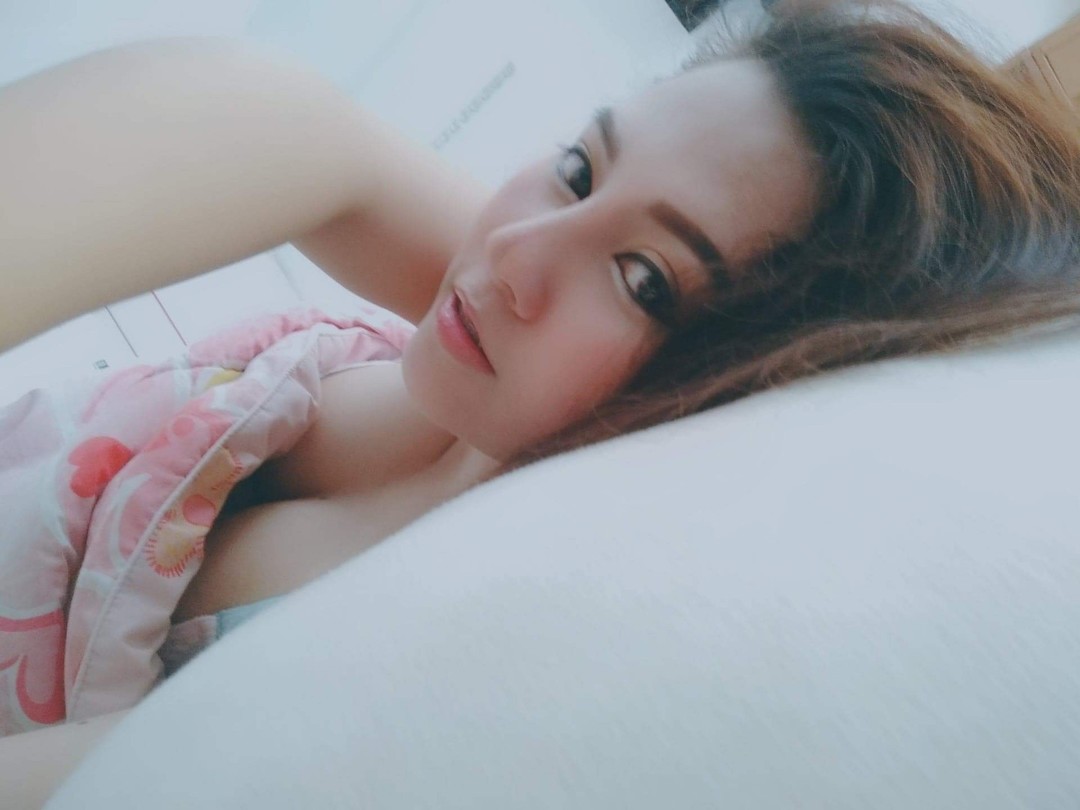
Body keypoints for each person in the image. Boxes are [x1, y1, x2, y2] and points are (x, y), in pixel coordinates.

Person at [2, 0, 1079, 802]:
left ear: (749, 396)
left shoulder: (408, 671)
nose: (516, 250)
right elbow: (280, 127)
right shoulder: (487, 344)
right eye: (579, 167)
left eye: (646, 281)